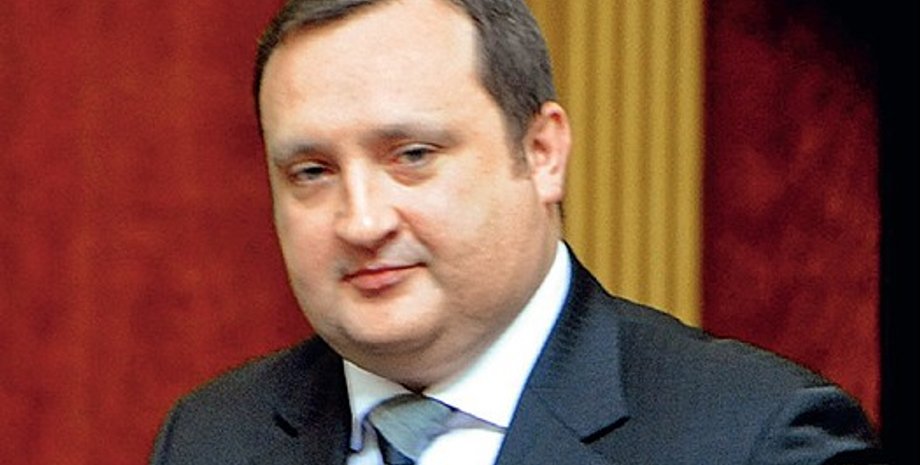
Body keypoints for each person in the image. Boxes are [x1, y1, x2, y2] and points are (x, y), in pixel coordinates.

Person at [150, 0, 882, 464]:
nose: (362, 221)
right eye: (312, 172)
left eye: (412, 156)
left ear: (542, 153)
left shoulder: (755, 438)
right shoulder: (214, 438)